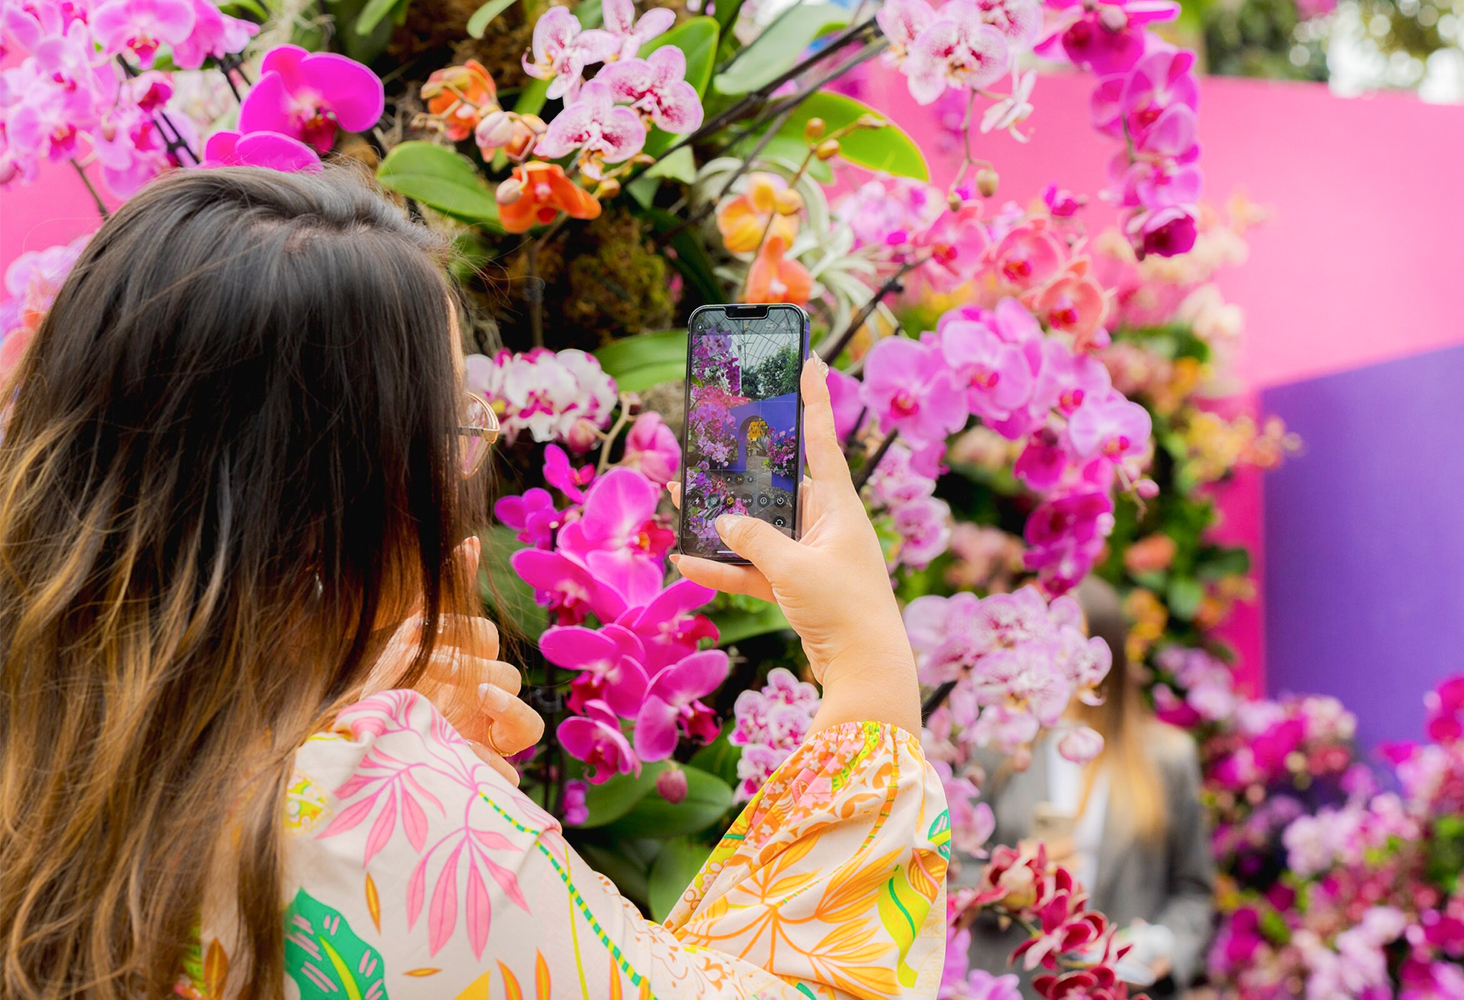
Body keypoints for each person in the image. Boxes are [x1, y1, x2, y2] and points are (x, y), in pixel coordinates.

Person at [0, 168, 947, 1000]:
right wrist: (869, 672)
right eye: (449, 422)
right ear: (335, 484)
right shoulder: (381, 808)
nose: (464, 466)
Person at [969, 577, 1215, 998]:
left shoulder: (1167, 758)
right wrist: (1001, 882)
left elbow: (1193, 891)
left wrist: (1164, 946)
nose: (1049, 655)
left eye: (1067, 640)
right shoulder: (996, 745)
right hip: (1011, 985)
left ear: (1105, 652)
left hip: (1120, 987)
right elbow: (947, 873)